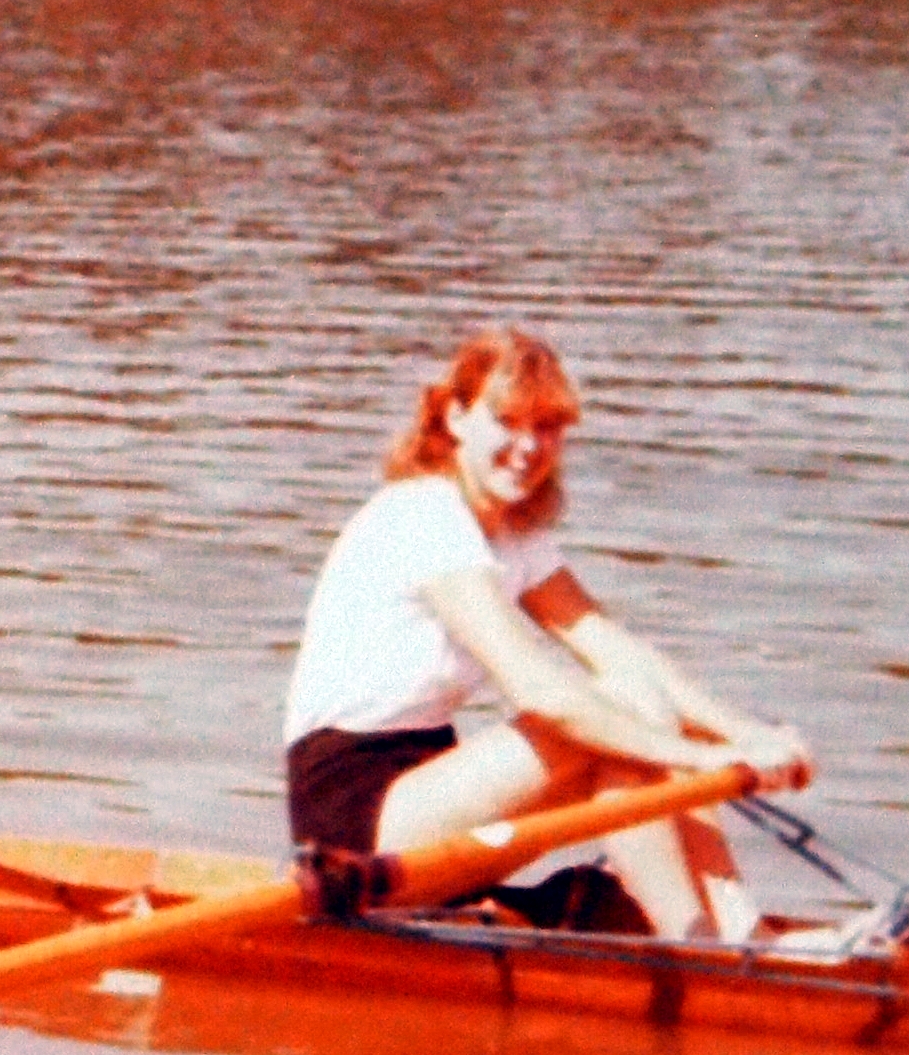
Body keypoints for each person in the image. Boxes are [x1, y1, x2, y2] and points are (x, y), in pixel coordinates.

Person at [283, 329, 810, 938]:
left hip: (431, 790)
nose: (528, 446)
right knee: (626, 719)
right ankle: (695, 947)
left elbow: (627, 659)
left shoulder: (515, 534)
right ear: (455, 418)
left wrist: (746, 734)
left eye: (549, 427)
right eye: (506, 421)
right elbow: (544, 696)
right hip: (355, 827)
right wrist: (707, 757)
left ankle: (742, 935)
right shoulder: (424, 516)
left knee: (647, 704)